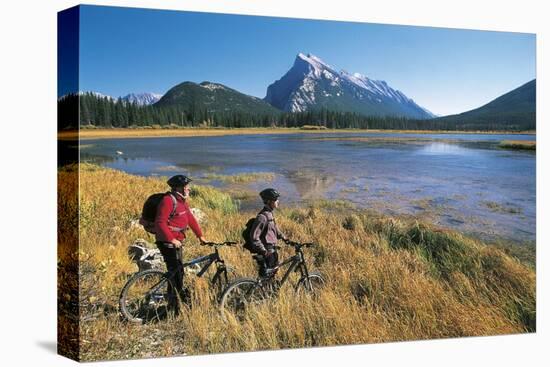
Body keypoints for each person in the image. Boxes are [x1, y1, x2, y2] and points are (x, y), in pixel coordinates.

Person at [155, 174, 206, 315]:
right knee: (176, 274)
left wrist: (200, 236)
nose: (189, 189)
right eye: (186, 187)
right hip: (167, 242)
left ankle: (173, 303)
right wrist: (171, 239)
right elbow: (160, 223)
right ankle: (175, 308)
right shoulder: (168, 201)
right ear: (179, 188)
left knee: (178, 272)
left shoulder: (182, 201)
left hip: (177, 242)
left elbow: (190, 218)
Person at [248, 188, 287, 277]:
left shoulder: (269, 214)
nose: (278, 201)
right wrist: (264, 251)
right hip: (267, 252)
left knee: (272, 275)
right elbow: (254, 237)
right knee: (266, 277)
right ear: (269, 201)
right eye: (275, 200)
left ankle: (268, 289)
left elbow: (274, 229)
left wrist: (284, 237)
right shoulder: (262, 217)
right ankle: (259, 289)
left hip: (272, 250)